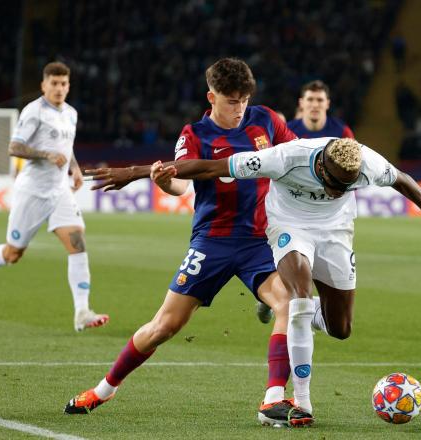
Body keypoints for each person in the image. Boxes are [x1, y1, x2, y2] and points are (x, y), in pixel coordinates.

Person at [83, 136, 421, 419]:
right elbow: (211, 167)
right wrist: (137, 172)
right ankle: (300, 403)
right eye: (333, 183)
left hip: (337, 232)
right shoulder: (285, 157)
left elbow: (405, 179)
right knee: (300, 296)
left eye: (346, 186)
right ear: (320, 166)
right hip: (289, 228)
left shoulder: (366, 162)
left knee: (341, 329)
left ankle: (296, 312)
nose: (339, 189)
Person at [64, 58, 314, 427]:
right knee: (164, 326)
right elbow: (179, 184)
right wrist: (161, 180)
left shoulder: (266, 120)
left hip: (260, 242)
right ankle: (105, 389)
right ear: (210, 97)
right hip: (211, 242)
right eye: (231, 101)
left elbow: (296, 156)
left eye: (244, 99)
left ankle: (273, 398)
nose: (239, 108)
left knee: (289, 303)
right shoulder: (194, 134)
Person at [0, 61, 108, 332]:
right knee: (13, 253)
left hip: (59, 190)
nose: (59, 88)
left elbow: (66, 145)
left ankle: (82, 311)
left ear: (68, 85)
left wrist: (73, 168)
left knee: (77, 243)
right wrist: (46, 154)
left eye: (63, 83)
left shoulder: (71, 113)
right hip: (32, 192)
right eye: (54, 83)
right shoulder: (34, 112)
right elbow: (13, 147)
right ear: (44, 85)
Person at [287, 80, 355, 139]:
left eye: (320, 100)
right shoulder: (287, 131)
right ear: (301, 103)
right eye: (310, 99)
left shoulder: (343, 133)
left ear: (327, 104)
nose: (315, 105)